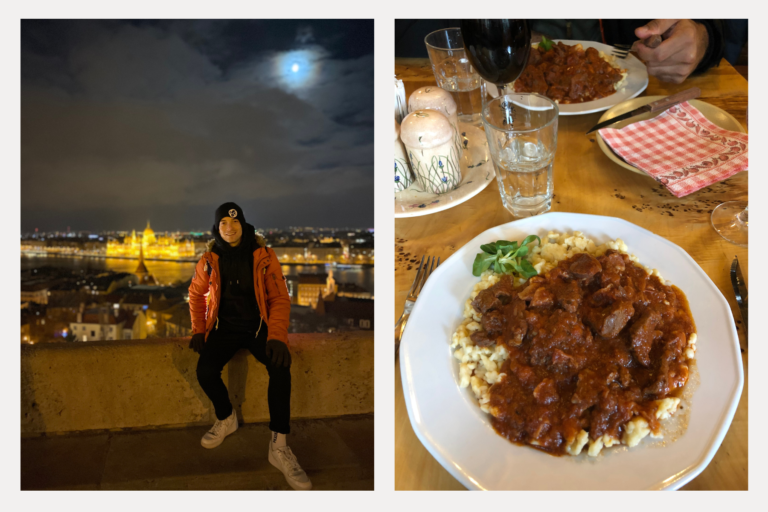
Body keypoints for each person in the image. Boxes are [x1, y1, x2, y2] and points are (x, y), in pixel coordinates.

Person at [188, 202, 311, 491]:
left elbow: (280, 298)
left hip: (257, 327)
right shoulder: (208, 259)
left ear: (243, 224)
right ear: (217, 228)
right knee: (205, 370)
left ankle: (279, 445)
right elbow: (196, 295)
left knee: (281, 369)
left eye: (234, 222)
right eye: (223, 224)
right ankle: (226, 417)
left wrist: (277, 336)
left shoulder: (264, 256)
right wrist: (198, 329)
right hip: (224, 329)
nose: (229, 228)